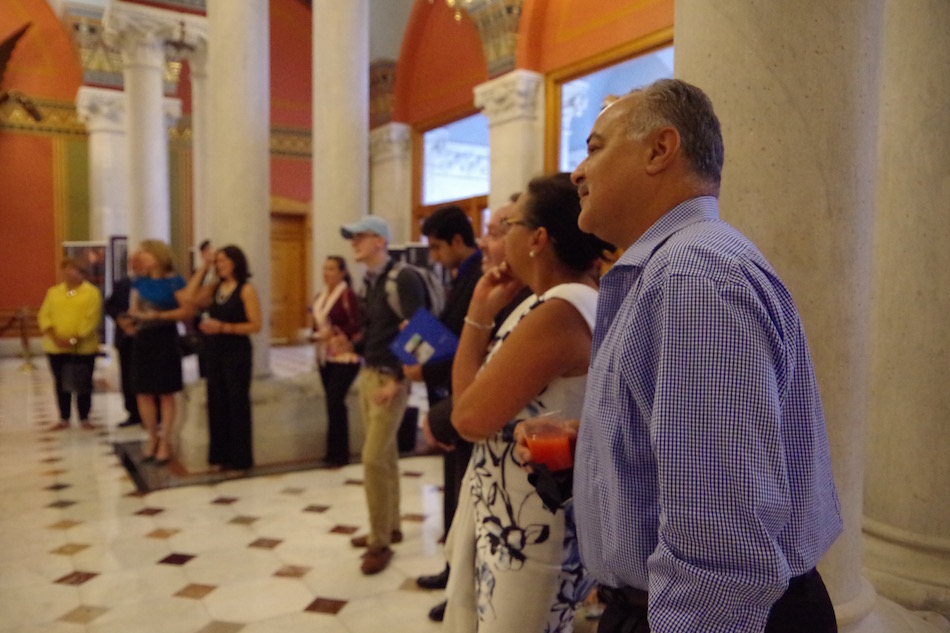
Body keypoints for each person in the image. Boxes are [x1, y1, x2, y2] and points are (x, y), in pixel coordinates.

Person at [544, 78, 841, 632]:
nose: (576, 173)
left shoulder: (690, 279)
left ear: (660, 149)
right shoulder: (675, 269)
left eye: (594, 148)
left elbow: (722, 535)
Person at [443, 172, 613, 633]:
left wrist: (477, 315)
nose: (495, 239)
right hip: (519, 512)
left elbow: (468, 418)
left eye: (507, 226)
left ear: (538, 238)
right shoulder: (556, 301)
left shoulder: (558, 311)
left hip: (529, 528)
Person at [402, 205, 482, 619]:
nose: (432, 256)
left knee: (464, 495)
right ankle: (452, 573)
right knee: (452, 491)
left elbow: (470, 345)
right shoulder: (461, 275)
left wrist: (424, 367)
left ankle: (461, 587)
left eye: (435, 247)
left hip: (466, 399)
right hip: (451, 395)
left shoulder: (480, 276)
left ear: (456, 240)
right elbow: (452, 333)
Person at [338, 216, 427, 575]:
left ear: (379, 240)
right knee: (385, 456)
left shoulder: (401, 278)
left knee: (372, 458)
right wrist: (351, 343)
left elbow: (420, 330)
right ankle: (390, 526)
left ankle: (379, 543)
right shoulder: (370, 283)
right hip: (369, 374)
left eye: (359, 237)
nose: (353, 243)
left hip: (390, 381)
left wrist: (399, 381)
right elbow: (376, 331)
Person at [178, 244, 262, 473]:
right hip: (213, 351)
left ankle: (240, 459)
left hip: (236, 351)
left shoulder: (246, 289)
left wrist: (223, 327)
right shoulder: (215, 288)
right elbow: (187, 298)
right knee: (216, 402)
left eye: (224, 261)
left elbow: (255, 325)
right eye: (218, 261)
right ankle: (220, 455)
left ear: (236, 262)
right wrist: (204, 267)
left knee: (237, 403)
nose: (220, 265)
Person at [127, 239, 191, 465]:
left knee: (166, 391)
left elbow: (186, 311)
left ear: (158, 255)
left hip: (165, 338)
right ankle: (152, 437)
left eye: (147, 254)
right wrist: (134, 316)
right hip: (143, 339)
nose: (143, 257)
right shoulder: (139, 281)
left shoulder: (175, 281)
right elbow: (133, 308)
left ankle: (165, 440)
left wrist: (159, 316)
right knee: (143, 392)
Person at [37, 257, 102, 431]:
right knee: (60, 382)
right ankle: (63, 418)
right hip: (55, 347)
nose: (68, 272)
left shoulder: (91, 293)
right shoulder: (54, 292)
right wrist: (55, 337)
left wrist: (74, 339)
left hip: (83, 348)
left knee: (83, 382)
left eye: (73, 269)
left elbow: (91, 319)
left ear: (82, 272)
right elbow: (44, 315)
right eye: (65, 269)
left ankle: (84, 417)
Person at [310, 255, 362, 467]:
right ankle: (332, 451)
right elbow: (317, 323)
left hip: (345, 355)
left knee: (335, 400)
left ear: (342, 272)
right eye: (325, 268)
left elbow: (358, 324)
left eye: (332, 269)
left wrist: (336, 332)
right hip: (325, 355)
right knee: (331, 403)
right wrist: (317, 333)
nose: (327, 273)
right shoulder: (320, 296)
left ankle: (340, 453)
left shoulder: (347, 295)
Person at [104, 252, 145, 428]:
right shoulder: (122, 284)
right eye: (132, 263)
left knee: (145, 377)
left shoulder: (153, 285)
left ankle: (151, 414)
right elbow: (109, 306)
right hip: (125, 337)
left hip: (144, 336)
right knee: (128, 377)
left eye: (139, 263)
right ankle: (133, 412)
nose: (135, 266)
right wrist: (121, 320)